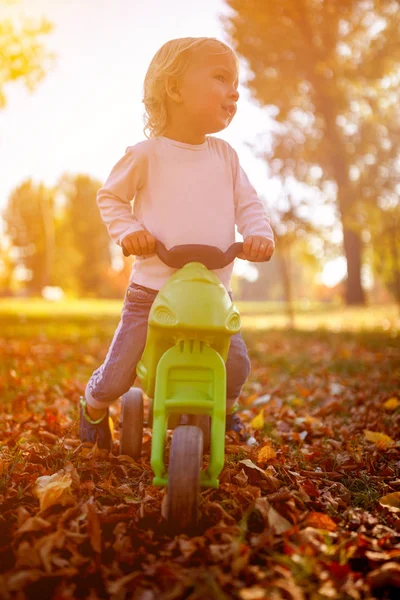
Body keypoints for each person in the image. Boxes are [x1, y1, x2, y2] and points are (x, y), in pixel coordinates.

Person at [79, 37, 275, 450]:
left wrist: (258, 234)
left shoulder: (225, 156)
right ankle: (93, 405)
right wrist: (129, 230)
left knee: (236, 364)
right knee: (118, 375)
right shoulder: (146, 154)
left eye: (236, 82)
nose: (234, 91)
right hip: (152, 291)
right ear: (174, 89)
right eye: (221, 78)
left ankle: (224, 410)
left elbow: (249, 204)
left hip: (212, 293)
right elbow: (110, 197)